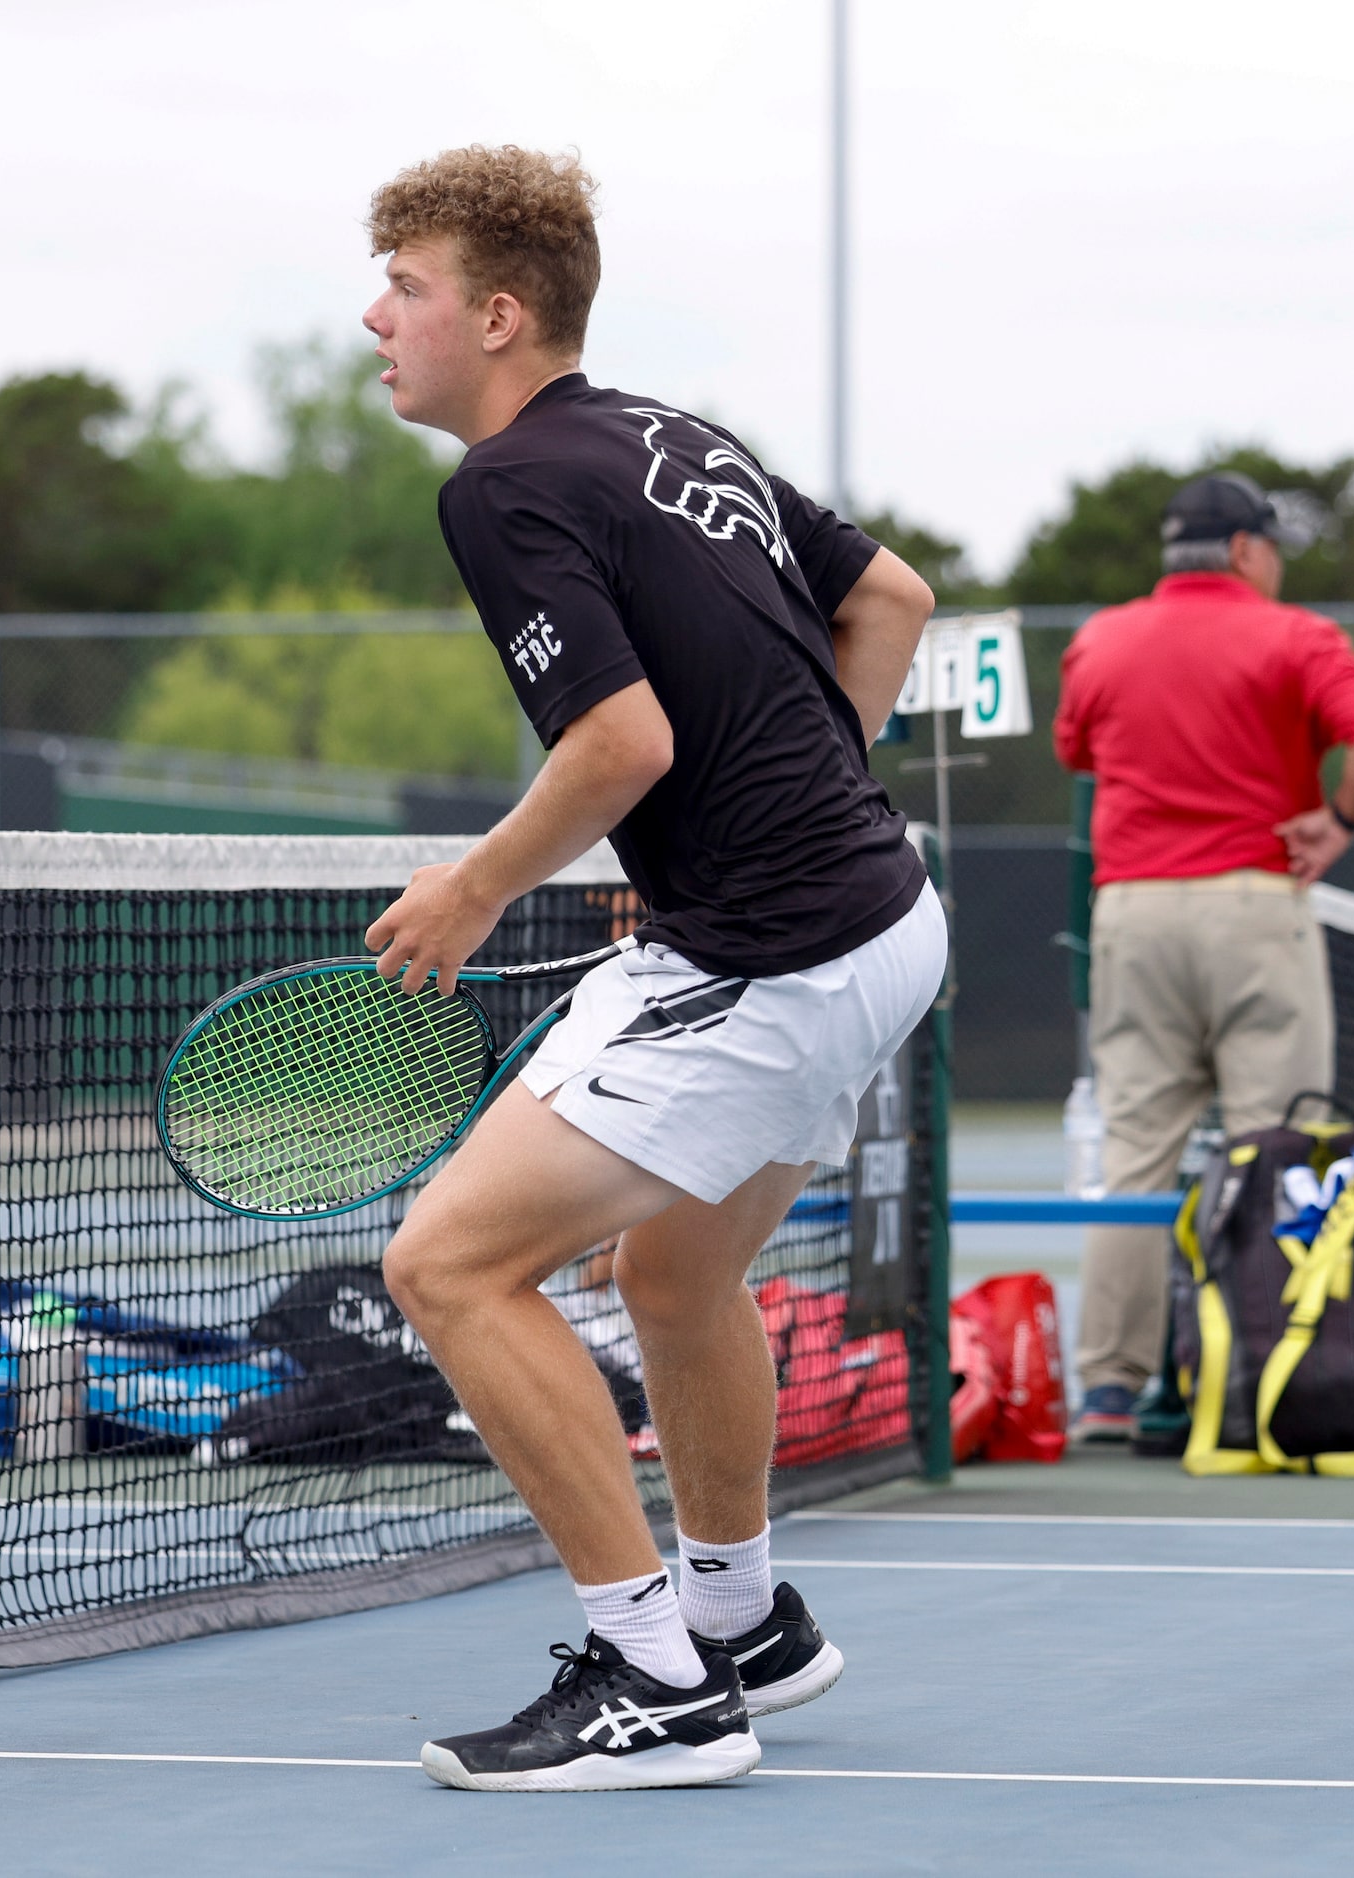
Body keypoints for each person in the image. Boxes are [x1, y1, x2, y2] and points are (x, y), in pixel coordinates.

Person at [356, 145, 946, 1791]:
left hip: (781, 944)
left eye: (402, 288)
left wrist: (475, 886)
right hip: (885, 915)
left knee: (451, 1267)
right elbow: (890, 597)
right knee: (678, 1275)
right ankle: (742, 1618)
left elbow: (623, 736)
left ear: (494, 312)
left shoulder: (502, 486)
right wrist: (787, 801)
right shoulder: (671, 433)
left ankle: (655, 1677)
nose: (371, 319)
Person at [1052, 474, 1354, 1438]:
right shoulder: (1295, 636)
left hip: (1132, 910)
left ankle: (1112, 1394)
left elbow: (1078, 752)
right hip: (1255, 908)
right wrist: (1336, 822)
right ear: (1248, 551)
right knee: (1274, 1149)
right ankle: (1262, 1384)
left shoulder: (1102, 638)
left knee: (1134, 1153)